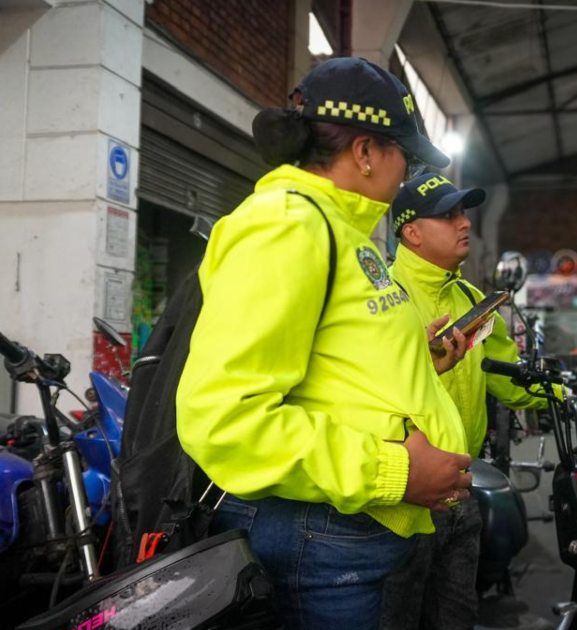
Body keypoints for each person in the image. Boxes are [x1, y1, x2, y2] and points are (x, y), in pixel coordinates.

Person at [175, 58, 474, 630]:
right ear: (365, 152)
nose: (404, 174)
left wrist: (419, 362)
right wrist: (396, 473)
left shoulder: (339, 231)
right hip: (319, 543)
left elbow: (333, 366)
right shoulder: (289, 227)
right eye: (403, 156)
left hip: (341, 535)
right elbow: (224, 417)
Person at [380, 174, 561, 630]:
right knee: (399, 617)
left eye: (463, 213)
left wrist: (564, 398)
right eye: (448, 215)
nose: (464, 224)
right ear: (411, 231)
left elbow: (510, 377)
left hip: (462, 487)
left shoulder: (474, 301)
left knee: (456, 615)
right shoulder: (381, 298)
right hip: (403, 495)